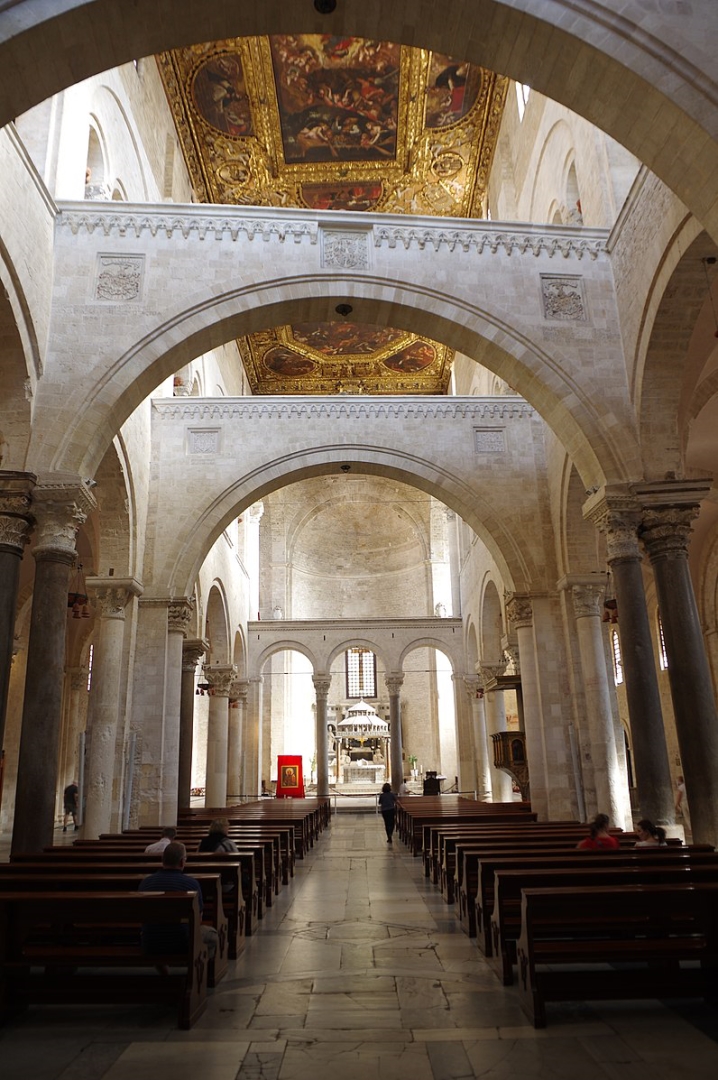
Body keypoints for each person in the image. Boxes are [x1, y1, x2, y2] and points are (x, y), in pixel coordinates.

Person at [138, 841, 218, 960]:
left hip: (150, 943)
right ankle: (202, 969)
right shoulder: (191, 884)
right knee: (212, 934)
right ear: (182, 862)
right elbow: (198, 918)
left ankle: (163, 968)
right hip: (181, 943)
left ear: (162, 860)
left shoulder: (146, 883)